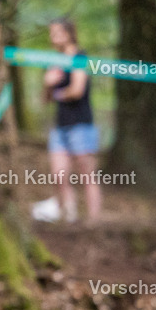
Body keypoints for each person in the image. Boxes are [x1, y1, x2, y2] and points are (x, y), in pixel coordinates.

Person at [44, 18, 101, 223]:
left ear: (68, 33)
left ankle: (94, 221)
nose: (53, 37)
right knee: (58, 174)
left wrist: (59, 91)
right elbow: (46, 99)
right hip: (60, 125)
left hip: (81, 124)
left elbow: (77, 90)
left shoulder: (79, 57)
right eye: (51, 33)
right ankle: (69, 217)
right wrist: (48, 84)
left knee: (87, 174)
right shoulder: (52, 61)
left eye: (57, 32)